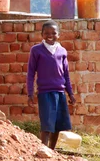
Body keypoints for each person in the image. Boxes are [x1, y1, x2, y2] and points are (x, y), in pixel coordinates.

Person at [26, 20, 76, 149]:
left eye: (53, 33)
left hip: (60, 92)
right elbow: (31, 72)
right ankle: (44, 149)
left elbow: (66, 74)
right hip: (45, 92)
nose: (50, 35)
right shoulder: (36, 50)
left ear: (58, 34)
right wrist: (30, 92)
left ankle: (52, 151)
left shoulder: (62, 51)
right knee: (47, 124)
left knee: (58, 125)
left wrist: (70, 93)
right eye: (46, 33)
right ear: (42, 34)